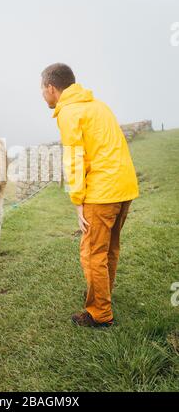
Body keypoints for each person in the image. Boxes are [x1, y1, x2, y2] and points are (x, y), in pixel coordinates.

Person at [41, 63, 139, 328]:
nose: (42, 95)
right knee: (109, 248)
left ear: (52, 88)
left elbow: (75, 159)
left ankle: (100, 313)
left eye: (42, 89)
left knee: (92, 252)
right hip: (123, 187)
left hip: (102, 193)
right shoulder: (98, 105)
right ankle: (102, 296)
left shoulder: (69, 112)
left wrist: (78, 201)